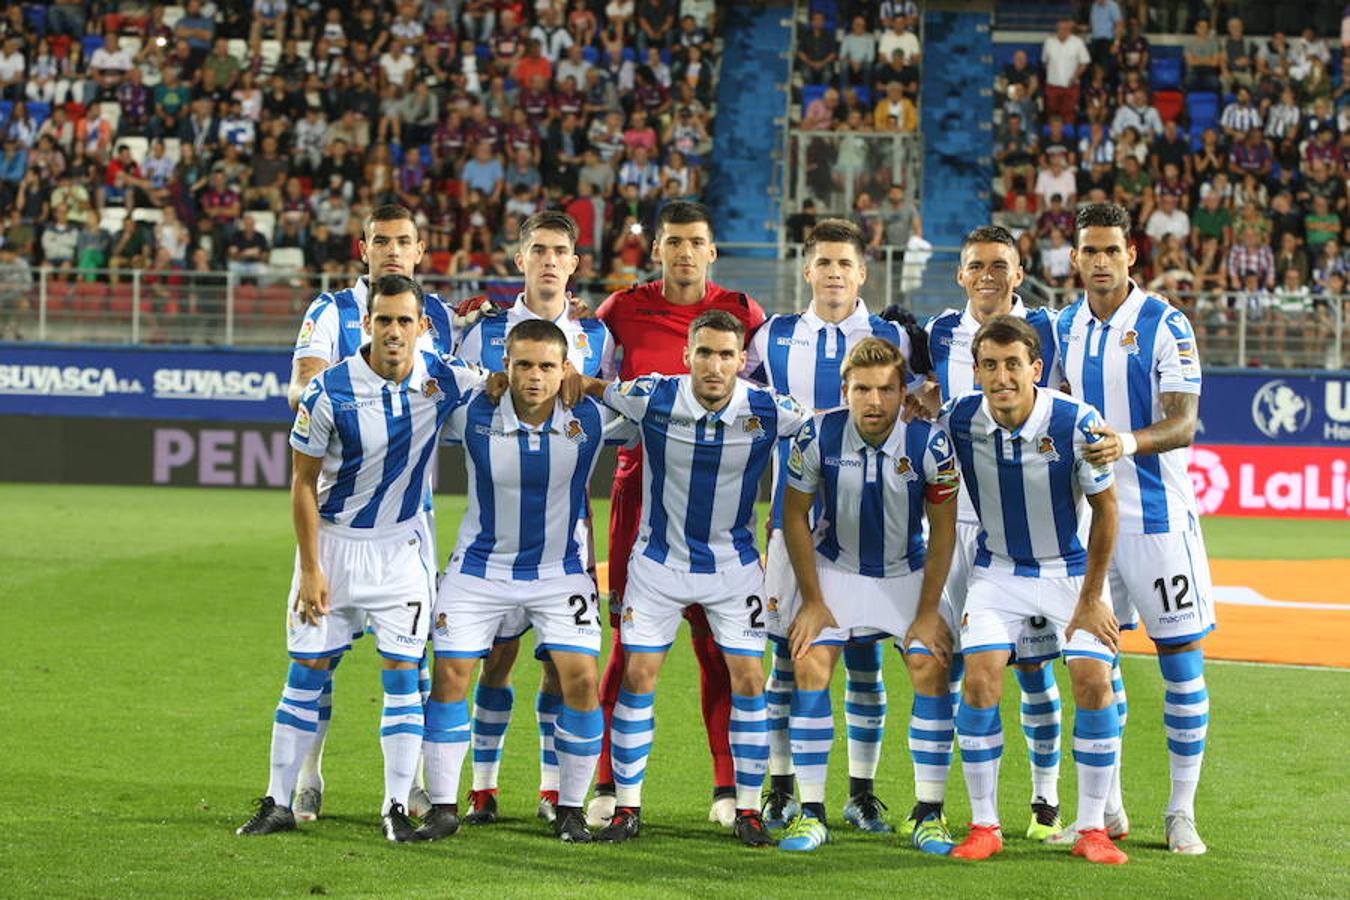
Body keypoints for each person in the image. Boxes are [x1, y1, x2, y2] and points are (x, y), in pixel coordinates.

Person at [236, 275, 484, 841]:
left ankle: (395, 805)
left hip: (400, 551)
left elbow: (506, 383)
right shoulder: (330, 390)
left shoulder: (442, 379)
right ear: (367, 323)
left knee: (403, 676)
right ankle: (277, 799)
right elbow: (301, 484)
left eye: (404, 321)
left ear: (424, 327)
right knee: (306, 672)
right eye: (383, 320)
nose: (393, 331)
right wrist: (312, 567)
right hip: (334, 547)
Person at [566, 309, 812, 846]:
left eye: (727, 355)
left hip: (734, 569)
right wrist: (570, 376)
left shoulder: (769, 409)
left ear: (743, 361)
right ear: (687, 356)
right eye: (705, 353)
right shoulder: (653, 396)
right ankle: (627, 808)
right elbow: (595, 387)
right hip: (658, 566)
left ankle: (748, 808)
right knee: (638, 676)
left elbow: (829, 422)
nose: (715, 365)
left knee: (749, 680)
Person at [587, 202, 767, 830]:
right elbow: (591, 385)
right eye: (673, 243)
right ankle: (609, 780)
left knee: (723, 651)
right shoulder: (619, 310)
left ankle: (729, 788)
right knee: (629, 649)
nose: (685, 253)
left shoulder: (745, 314)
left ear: (711, 250)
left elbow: (765, 407)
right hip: (641, 493)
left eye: (696, 242)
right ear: (656, 249)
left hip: (722, 507)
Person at [742, 219, 925, 836]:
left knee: (865, 663)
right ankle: (781, 787)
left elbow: (920, 405)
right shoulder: (773, 338)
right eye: (824, 263)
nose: (834, 274)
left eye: (845, 264)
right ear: (807, 269)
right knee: (787, 661)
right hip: (790, 521)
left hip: (873, 527)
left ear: (862, 272)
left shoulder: (892, 335)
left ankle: (862, 792)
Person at [418, 319, 625, 845]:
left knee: (580, 680)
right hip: (479, 570)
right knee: (452, 677)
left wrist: (598, 385)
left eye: (547, 366)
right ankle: (443, 806)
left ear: (565, 370)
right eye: (524, 365)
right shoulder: (472, 412)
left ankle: (572, 810)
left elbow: (666, 413)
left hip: (560, 573)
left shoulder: (593, 416)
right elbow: (421, 383)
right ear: (505, 367)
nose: (535, 377)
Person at [282, 205, 456, 824]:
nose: (391, 250)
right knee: (318, 652)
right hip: (341, 510)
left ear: (419, 249)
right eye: (380, 240)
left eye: (403, 241)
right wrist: (367, 394)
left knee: (413, 654)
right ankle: (308, 774)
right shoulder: (330, 311)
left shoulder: (435, 315)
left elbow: (450, 384)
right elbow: (303, 383)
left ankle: (406, 787)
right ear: (363, 248)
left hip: (412, 517)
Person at [1052, 203, 1213, 856]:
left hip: (1157, 523)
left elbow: (1184, 423)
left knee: (1180, 661)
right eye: (1088, 251)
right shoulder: (1064, 325)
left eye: (1110, 251)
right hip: (1093, 525)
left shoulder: (1164, 323)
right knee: (1096, 663)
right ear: (1074, 259)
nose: (1099, 261)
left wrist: (1125, 442)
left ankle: (1180, 811)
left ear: (1130, 257)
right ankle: (1107, 809)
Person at [449, 212, 617, 826]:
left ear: (574, 264)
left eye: (561, 252)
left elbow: (605, 416)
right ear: (520, 260)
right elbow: (454, 394)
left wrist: (591, 386)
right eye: (538, 250)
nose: (549, 260)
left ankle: (552, 790)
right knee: (495, 662)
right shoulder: (482, 331)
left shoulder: (596, 336)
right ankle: (484, 788)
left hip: (564, 537)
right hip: (494, 536)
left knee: (559, 666)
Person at [941, 314, 1125, 866]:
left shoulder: (1076, 422)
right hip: (998, 572)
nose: (1002, 377)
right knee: (979, 678)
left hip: (1070, 572)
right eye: (990, 366)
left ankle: (1092, 828)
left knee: (1093, 680)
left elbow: (1107, 509)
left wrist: (1092, 598)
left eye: (1013, 364)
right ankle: (984, 825)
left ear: (1036, 369)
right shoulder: (959, 419)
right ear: (975, 371)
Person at [775, 337, 960, 854]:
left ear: (904, 393)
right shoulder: (818, 434)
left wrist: (926, 612)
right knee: (809, 662)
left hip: (906, 574)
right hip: (836, 569)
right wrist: (812, 600)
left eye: (885, 390)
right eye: (862, 390)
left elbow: (944, 531)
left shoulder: (929, 444)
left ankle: (929, 812)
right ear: (845, 390)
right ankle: (811, 814)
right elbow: (793, 514)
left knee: (930, 663)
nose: (874, 401)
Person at [920, 225, 1074, 841]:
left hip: (1030, 517)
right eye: (977, 265)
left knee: (1036, 667)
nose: (988, 274)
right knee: (956, 660)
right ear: (961, 274)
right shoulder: (936, 332)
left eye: (1000, 265)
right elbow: (917, 398)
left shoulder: (1051, 326)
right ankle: (943, 805)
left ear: (1019, 270)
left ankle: (1046, 801)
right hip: (958, 517)